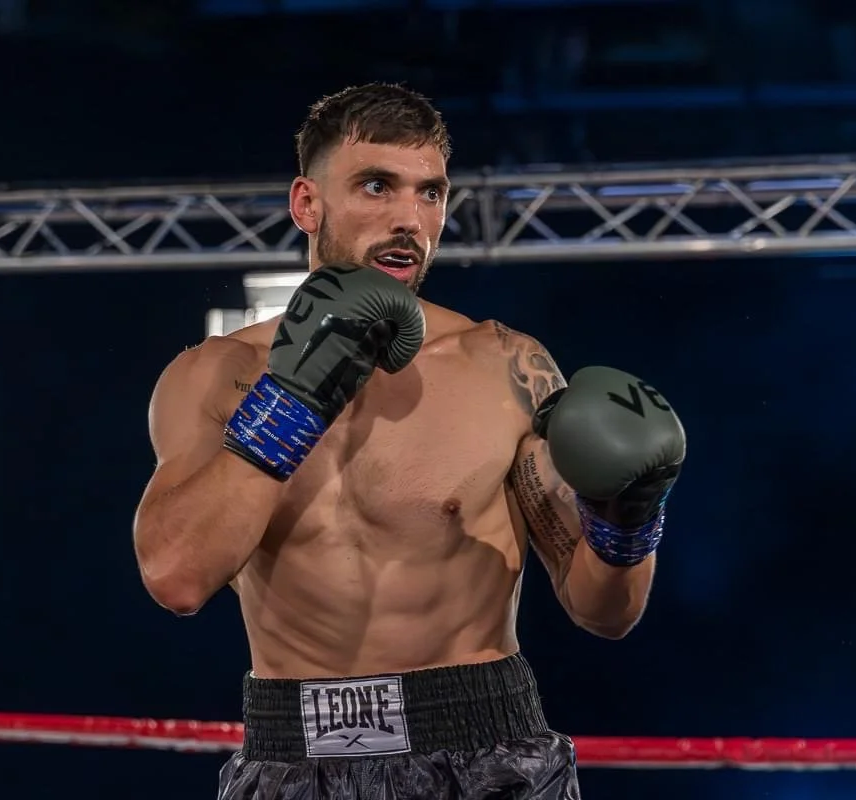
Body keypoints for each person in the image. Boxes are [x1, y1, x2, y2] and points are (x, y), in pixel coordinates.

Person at [132, 83, 686, 799]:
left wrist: (628, 519)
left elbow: (604, 613)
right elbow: (176, 577)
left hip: (487, 748)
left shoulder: (505, 366)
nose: (410, 220)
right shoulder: (215, 376)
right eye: (376, 186)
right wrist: (294, 398)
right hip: (296, 752)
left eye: (431, 193)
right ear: (307, 203)